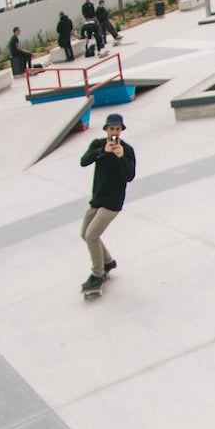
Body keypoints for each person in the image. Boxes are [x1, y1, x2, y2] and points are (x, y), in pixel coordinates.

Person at [79, 113, 135, 295]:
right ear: (106, 129)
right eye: (111, 129)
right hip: (97, 198)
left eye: (118, 129)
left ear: (121, 130)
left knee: (91, 236)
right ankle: (108, 261)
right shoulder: (98, 144)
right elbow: (84, 161)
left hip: (112, 202)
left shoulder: (127, 150)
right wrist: (103, 151)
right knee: (85, 234)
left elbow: (129, 176)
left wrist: (120, 157)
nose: (114, 132)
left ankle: (98, 274)